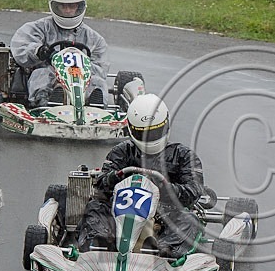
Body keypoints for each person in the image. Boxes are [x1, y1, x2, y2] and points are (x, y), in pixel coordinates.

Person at [76, 93, 205, 259]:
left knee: (189, 219)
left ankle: (165, 253)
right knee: (95, 208)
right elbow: (101, 184)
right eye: (143, 133)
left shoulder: (183, 155)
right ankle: (97, 247)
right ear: (131, 129)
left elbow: (194, 191)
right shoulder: (122, 152)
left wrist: (166, 189)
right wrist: (115, 177)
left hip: (165, 213)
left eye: (155, 131)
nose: (150, 138)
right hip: (122, 208)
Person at [9, 0, 109, 107]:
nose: (67, 11)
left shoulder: (94, 39)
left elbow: (101, 68)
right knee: (42, 74)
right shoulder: (38, 28)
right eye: (62, 6)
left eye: (72, 6)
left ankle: (96, 105)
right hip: (48, 72)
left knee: (98, 81)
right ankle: (45, 102)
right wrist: (39, 52)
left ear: (80, 6)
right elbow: (21, 47)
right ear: (53, 5)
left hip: (80, 80)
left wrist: (81, 67)